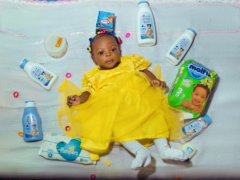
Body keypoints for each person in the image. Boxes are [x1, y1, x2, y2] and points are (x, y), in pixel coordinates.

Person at [57, 32, 189, 169]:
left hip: (141, 102)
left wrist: (153, 79)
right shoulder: (92, 76)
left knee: (155, 118)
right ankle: (139, 151)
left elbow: (144, 71)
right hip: (117, 111)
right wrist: (80, 99)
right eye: (101, 53)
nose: (108, 54)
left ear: (119, 50)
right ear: (93, 58)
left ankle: (164, 149)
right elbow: (87, 93)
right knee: (118, 129)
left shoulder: (130, 61)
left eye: (113, 50)